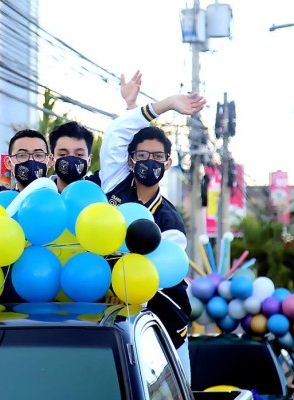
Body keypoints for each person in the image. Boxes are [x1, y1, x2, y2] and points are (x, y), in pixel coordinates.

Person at [100, 70, 206, 381]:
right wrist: (165, 104)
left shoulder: (170, 222)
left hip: (164, 327)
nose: (149, 161)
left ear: (168, 164)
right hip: (109, 321)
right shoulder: (114, 184)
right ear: (130, 161)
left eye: (157, 157)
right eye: (142, 155)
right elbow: (117, 135)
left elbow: (149, 280)